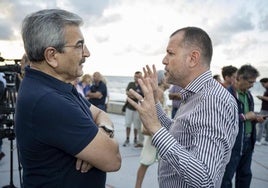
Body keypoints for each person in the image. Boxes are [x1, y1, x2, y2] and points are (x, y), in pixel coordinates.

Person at [15, 9, 121, 187]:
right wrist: (100, 147)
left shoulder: (55, 87)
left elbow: (99, 113)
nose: (86, 53)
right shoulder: (48, 100)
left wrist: (102, 133)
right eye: (79, 45)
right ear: (52, 56)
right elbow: (113, 159)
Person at [127, 27, 239, 187]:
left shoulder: (213, 101)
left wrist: (155, 128)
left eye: (170, 53)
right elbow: (181, 136)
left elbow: (205, 179)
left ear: (193, 58)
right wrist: (155, 104)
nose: (164, 60)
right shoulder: (196, 95)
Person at [221, 65, 266, 188]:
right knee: (226, 177)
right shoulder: (227, 94)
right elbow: (222, 119)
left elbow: (247, 116)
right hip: (233, 144)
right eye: (250, 82)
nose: (252, 85)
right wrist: (244, 117)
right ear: (240, 78)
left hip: (248, 141)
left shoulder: (248, 95)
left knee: (245, 175)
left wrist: (256, 119)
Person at [135, 70, 169, 188]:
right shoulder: (159, 93)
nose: (169, 78)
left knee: (148, 163)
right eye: (166, 76)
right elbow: (153, 112)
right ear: (162, 79)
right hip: (156, 134)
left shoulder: (161, 92)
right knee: (146, 162)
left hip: (157, 132)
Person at [123, 71, 143, 147]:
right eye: (135, 76)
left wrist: (133, 96)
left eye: (138, 77)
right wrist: (136, 96)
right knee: (127, 123)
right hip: (129, 107)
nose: (137, 78)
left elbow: (142, 96)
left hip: (137, 109)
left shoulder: (142, 86)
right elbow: (127, 93)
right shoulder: (131, 84)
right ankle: (127, 138)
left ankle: (135, 138)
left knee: (136, 125)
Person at [256, 78, 268, 145]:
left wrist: (261, 97)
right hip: (265, 108)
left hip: (265, 110)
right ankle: (266, 140)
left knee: (261, 124)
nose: (262, 86)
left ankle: (258, 140)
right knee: (266, 125)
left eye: (263, 84)